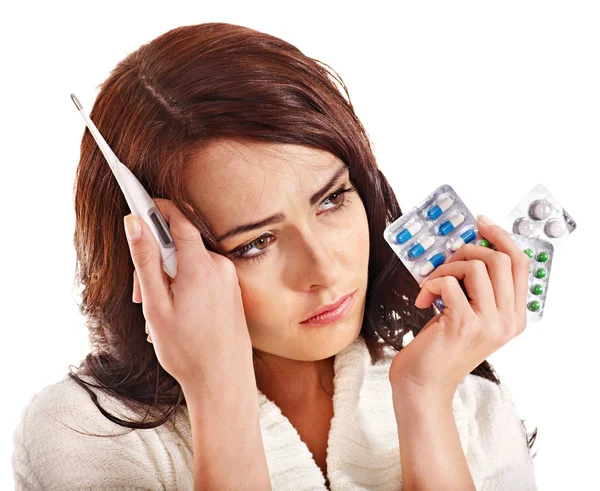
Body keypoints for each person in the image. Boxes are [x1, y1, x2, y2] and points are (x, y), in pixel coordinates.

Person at [12, 22, 537, 490]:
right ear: (160, 258)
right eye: (256, 243)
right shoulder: (82, 433)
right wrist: (219, 396)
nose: (326, 270)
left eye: (332, 200)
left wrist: (425, 402)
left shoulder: (470, 411)